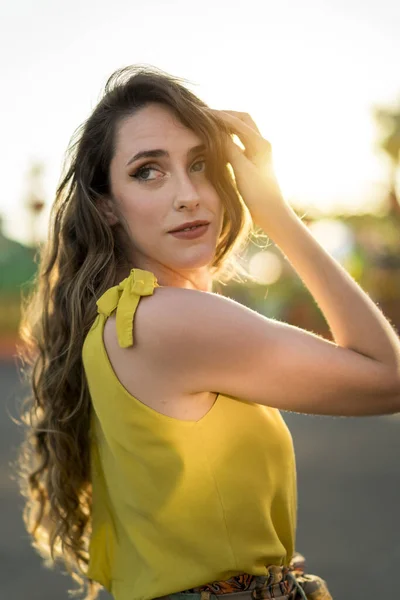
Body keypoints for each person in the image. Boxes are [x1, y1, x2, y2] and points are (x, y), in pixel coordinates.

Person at [16, 65, 400, 600]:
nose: (189, 194)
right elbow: (389, 378)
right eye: (148, 171)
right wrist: (277, 213)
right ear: (106, 204)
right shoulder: (172, 320)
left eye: (200, 165)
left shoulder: (121, 319)